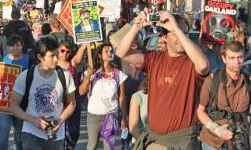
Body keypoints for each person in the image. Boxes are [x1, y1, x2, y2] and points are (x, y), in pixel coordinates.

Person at [115, 11, 210, 149]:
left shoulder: (192, 61)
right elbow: (121, 53)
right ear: (164, 37)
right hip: (156, 141)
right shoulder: (154, 58)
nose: (180, 37)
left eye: (185, 33)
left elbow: (204, 66)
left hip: (183, 141)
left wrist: (176, 29)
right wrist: (136, 26)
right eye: (174, 34)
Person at [11, 37, 76, 150]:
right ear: (40, 57)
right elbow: (13, 106)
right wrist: (33, 120)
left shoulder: (65, 75)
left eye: (57, 54)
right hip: (31, 133)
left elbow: (72, 103)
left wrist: (60, 121)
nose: (56, 59)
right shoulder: (26, 76)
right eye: (52, 56)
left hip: (56, 135)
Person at [197, 40, 250, 150]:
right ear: (224, 59)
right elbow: (200, 111)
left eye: (240, 57)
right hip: (213, 141)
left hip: (239, 141)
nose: (237, 61)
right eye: (232, 58)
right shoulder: (212, 80)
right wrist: (217, 129)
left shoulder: (248, 82)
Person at [79, 43, 128, 150]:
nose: (109, 53)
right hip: (93, 115)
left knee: (109, 147)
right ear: (100, 55)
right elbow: (81, 92)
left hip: (110, 115)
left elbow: (122, 97)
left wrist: (124, 117)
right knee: (92, 146)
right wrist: (88, 76)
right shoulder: (91, 72)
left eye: (111, 51)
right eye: (106, 51)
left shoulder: (119, 74)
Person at [0, 35, 29, 150]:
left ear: (22, 46)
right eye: (13, 45)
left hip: (21, 103)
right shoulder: (3, 58)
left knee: (19, 135)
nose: (16, 48)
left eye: (18, 45)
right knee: (3, 131)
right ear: (8, 47)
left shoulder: (28, 59)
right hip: (4, 102)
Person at [57, 41, 87, 150]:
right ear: (58, 51)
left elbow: (80, 54)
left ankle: (69, 148)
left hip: (73, 102)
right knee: (58, 131)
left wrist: (87, 41)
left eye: (68, 51)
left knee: (74, 132)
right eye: (62, 50)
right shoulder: (53, 65)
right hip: (58, 104)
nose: (65, 53)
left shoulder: (72, 63)